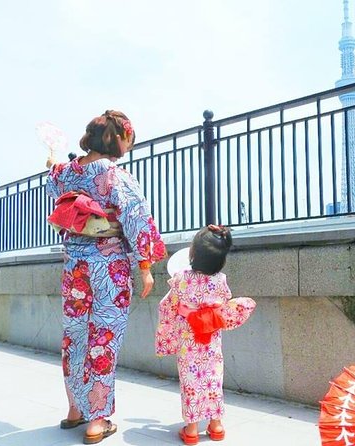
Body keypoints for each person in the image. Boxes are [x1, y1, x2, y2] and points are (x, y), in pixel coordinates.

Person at [46, 110, 167, 444]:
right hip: (107, 267)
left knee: (75, 336)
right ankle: (97, 419)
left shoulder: (68, 173)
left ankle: (75, 409)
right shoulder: (115, 175)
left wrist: (53, 160)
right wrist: (145, 268)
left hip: (74, 266)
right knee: (103, 339)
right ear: (116, 138)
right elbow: (137, 219)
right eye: (128, 137)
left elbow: (52, 178)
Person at [155, 225, 256, 445]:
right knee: (212, 379)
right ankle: (216, 425)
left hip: (189, 340)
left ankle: (191, 430)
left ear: (192, 254)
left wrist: (168, 332)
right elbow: (224, 301)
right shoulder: (220, 280)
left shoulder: (181, 279)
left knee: (190, 380)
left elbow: (168, 306)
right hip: (211, 339)